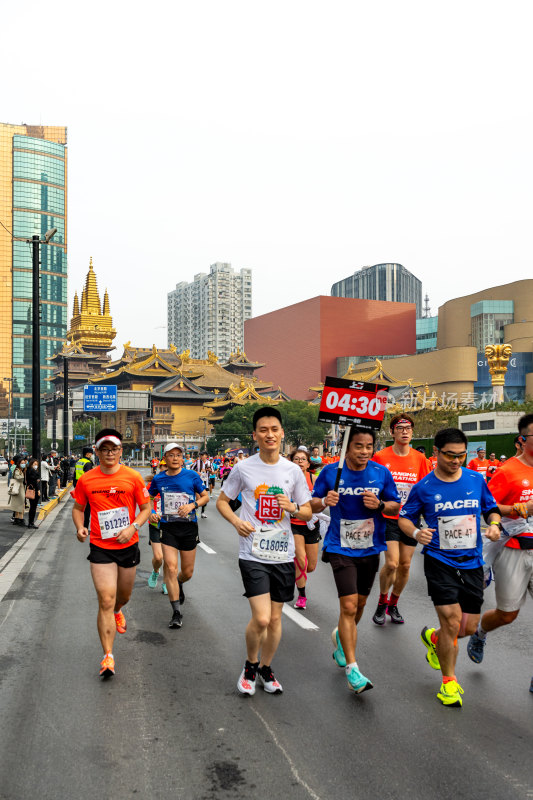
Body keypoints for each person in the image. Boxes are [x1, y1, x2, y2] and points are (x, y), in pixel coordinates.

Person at [398, 428, 501, 708]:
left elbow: (490, 508)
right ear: (436, 452)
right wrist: (417, 533)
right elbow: (404, 519)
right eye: (449, 455)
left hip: (472, 562)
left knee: (467, 627)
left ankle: (434, 638)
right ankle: (449, 683)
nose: (456, 461)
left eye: (460, 455)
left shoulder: (475, 479)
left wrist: (493, 524)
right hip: (439, 561)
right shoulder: (424, 487)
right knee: (452, 620)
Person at [217, 407, 312, 696]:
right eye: (263, 430)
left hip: (282, 554)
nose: (269, 434)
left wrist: (293, 508)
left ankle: (266, 669)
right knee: (261, 618)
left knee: (274, 619)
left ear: (282, 433)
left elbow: (308, 513)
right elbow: (222, 501)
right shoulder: (243, 468)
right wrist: (236, 522)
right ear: (255, 435)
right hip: (253, 552)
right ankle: (250, 664)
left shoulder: (293, 470)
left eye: (274, 429)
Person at [311, 426, 400, 693]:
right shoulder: (330, 472)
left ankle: (341, 636)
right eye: (359, 446)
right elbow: (311, 505)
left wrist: (381, 505)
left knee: (359, 606)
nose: (364, 451)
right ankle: (353, 669)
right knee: (348, 607)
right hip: (341, 546)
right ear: (346, 448)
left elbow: (396, 505)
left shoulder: (380, 473)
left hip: (370, 548)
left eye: (369, 446)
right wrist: (325, 500)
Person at [71, 428, 151, 678]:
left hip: (128, 545)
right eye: (104, 449)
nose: (109, 453)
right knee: (105, 599)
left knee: (122, 597)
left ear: (120, 451)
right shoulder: (87, 480)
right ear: (96, 451)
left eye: (113, 449)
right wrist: (80, 527)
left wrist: (133, 527)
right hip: (100, 546)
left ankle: (119, 611)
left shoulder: (133, 477)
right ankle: (108, 655)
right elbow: (77, 507)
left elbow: (146, 508)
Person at [467, 413, 533, 692]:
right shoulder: (508, 471)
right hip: (513, 549)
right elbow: (486, 507)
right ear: (522, 439)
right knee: (508, 614)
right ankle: (480, 633)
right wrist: (516, 509)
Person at [371, 414, 431, 625]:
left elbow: (425, 488)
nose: (405, 431)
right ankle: (381, 601)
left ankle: (393, 604)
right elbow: (372, 483)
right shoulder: (380, 457)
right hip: (387, 516)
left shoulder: (420, 459)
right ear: (392, 432)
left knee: (405, 565)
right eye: (400, 428)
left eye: (408, 428)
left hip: (410, 519)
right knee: (393, 563)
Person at [148, 443, 209, 628]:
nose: (175, 458)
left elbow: (205, 496)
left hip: (189, 527)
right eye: (171, 455)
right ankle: (176, 612)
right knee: (171, 568)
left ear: (183, 458)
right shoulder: (158, 479)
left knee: (187, 572)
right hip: (168, 527)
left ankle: (180, 583)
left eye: (178, 455)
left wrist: (192, 506)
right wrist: (152, 511)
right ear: (164, 458)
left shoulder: (191, 476)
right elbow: (149, 497)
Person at [288, 449, 321, 610]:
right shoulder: (287, 480)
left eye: (303, 459)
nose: (300, 462)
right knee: (301, 560)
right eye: (296, 459)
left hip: (312, 525)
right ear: (291, 462)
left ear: (308, 463)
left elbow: (322, 500)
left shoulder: (314, 480)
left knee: (311, 566)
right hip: (294, 524)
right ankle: (302, 596)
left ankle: (293, 568)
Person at [145, 472, 167, 595]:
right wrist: (151, 513)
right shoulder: (152, 485)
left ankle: (166, 582)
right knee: (158, 557)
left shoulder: (176, 484)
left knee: (169, 560)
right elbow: (146, 501)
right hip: (155, 525)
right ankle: (155, 571)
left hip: (170, 525)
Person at [8, 456, 26, 526]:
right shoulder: (17, 470)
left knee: (19, 504)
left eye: (24, 463)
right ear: (18, 463)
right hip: (18, 488)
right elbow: (18, 478)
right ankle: (20, 520)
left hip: (20, 488)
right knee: (21, 504)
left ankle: (17, 519)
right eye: (22, 463)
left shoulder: (21, 470)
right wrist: (23, 476)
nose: (23, 464)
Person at [192, 452, 211, 518]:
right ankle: (195, 511)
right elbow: (191, 470)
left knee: (205, 498)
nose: (201, 456)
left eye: (202, 455)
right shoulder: (197, 462)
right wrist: (196, 472)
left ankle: (202, 512)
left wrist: (210, 470)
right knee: (198, 498)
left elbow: (213, 471)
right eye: (200, 455)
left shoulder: (209, 463)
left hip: (206, 482)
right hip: (198, 482)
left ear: (206, 456)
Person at [25, 457, 41, 528]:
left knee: (32, 507)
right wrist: (38, 490)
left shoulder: (28, 471)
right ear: (31, 464)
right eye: (34, 464)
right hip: (34, 491)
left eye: (37, 464)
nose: (36, 465)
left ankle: (30, 522)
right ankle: (31, 522)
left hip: (30, 490)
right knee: (33, 507)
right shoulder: (33, 471)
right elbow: (35, 482)